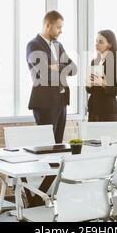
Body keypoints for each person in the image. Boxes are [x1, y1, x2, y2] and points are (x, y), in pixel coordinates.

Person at [26, 10, 77, 143]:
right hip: (45, 102)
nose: (61, 31)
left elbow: (73, 69)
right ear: (48, 25)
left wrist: (55, 66)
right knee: (46, 144)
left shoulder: (58, 45)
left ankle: (57, 165)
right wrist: (60, 67)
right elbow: (43, 74)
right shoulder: (34, 45)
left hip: (61, 101)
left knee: (58, 144)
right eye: (58, 27)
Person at [86, 30, 117, 122]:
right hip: (93, 110)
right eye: (96, 41)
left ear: (110, 45)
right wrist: (89, 85)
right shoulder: (94, 62)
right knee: (92, 137)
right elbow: (90, 90)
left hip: (108, 111)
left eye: (101, 42)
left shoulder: (116, 63)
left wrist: (103, 84)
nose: (96, 44)